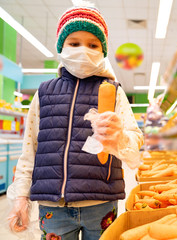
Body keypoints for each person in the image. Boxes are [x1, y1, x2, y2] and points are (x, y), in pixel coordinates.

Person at [7, 1, 144, 239]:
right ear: (62, 46)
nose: (83, 50)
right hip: (53, 207)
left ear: (103, 51)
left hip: (100, 202)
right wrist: (21, 196)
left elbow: (135, 138)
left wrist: (119, 136)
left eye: (93, 44)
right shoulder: (44, 93)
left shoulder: (113, 90)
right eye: (74, 43)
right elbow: (30, 150)